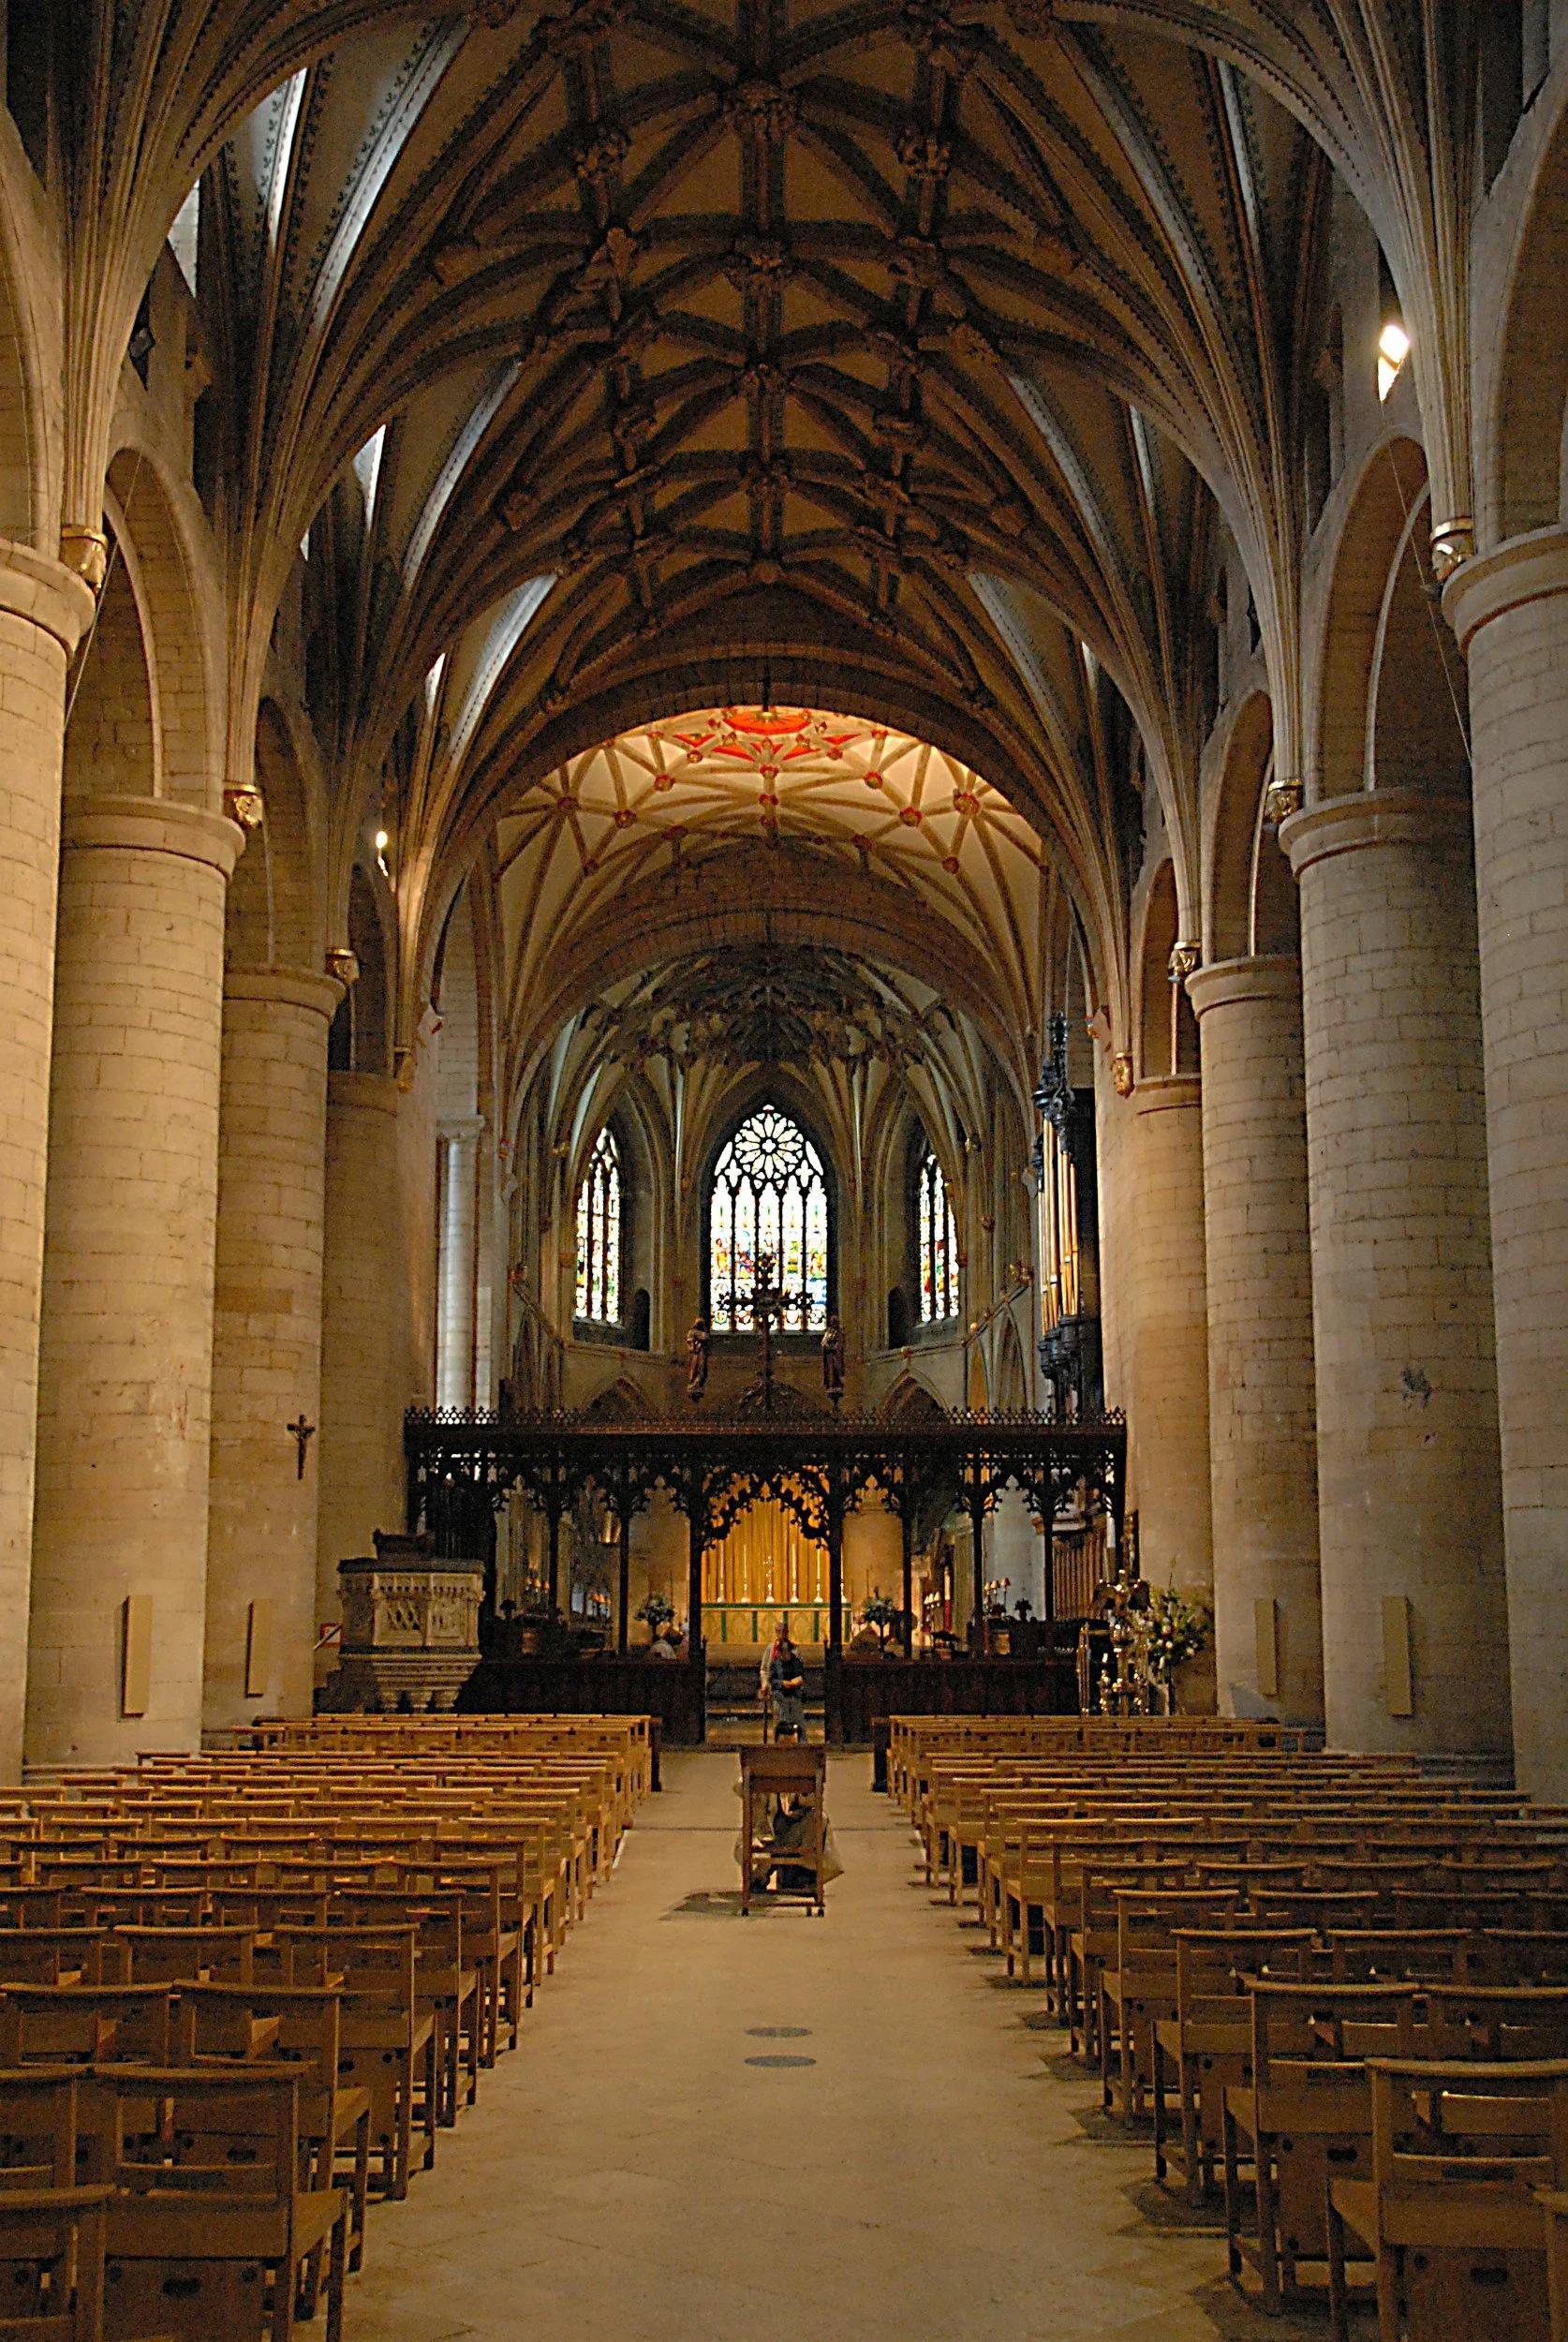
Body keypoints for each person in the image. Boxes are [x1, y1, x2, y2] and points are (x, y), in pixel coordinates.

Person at [769, 1632, 806, 1741]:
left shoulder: (796, 1662)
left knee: (799, 1720)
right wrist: (781, 1683)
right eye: (782, 1653)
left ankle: (803, 1743)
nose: (784, 1656)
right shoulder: (775, 1663)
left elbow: (801, 1676)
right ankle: (779, 1740)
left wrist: (794, 1682)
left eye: (786, 1653)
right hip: (780, 1695)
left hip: (794, 1694)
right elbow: (772, 1679)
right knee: (781, 1717)